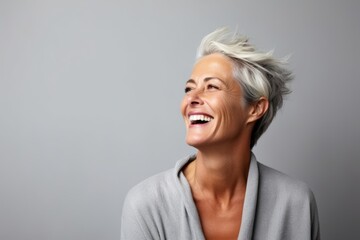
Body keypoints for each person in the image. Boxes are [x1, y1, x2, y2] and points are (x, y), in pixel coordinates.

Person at [120, 28, 320, 240]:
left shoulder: (297, 204)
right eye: (189, 89)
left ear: (255, 108)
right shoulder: (146, 204)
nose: (192, 99)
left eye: (212, 87)